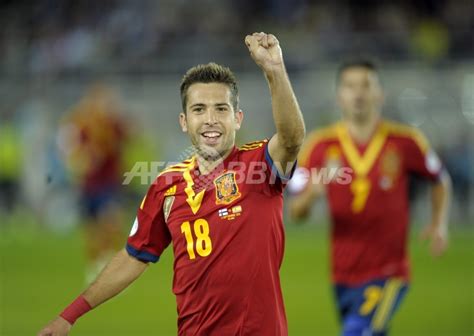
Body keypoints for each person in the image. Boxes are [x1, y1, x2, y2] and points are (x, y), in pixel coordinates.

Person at [38, 32, 305, 336]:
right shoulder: (166, 186)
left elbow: (292, 138)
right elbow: (133, 256)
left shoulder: (258, 167)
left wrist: (275, 71)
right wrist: (69, 316)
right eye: (199, 109)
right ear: (183, 121)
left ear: (238, 118)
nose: (210, 119)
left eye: (221, 109)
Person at [289, 60, 451, 336]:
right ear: (339, 95)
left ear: (380, 94)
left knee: (357, 332)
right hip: (342, 272)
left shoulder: (406, 141)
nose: (359, 93)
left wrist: (439, 223)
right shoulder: (319, 146)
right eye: (350, 86)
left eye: (367, 85)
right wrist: (313, 194)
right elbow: (296, 213)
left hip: (389, 271)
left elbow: (440, 180)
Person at [58, 84, 129, 283]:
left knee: (113, 221)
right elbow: (73, 150)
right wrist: (82, 159)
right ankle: (95, 264)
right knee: (92, 228)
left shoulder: (114, 124)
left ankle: (111, 262)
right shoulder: (83, 124)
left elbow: (128, 138)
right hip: (89, 183)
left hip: (109, 182)